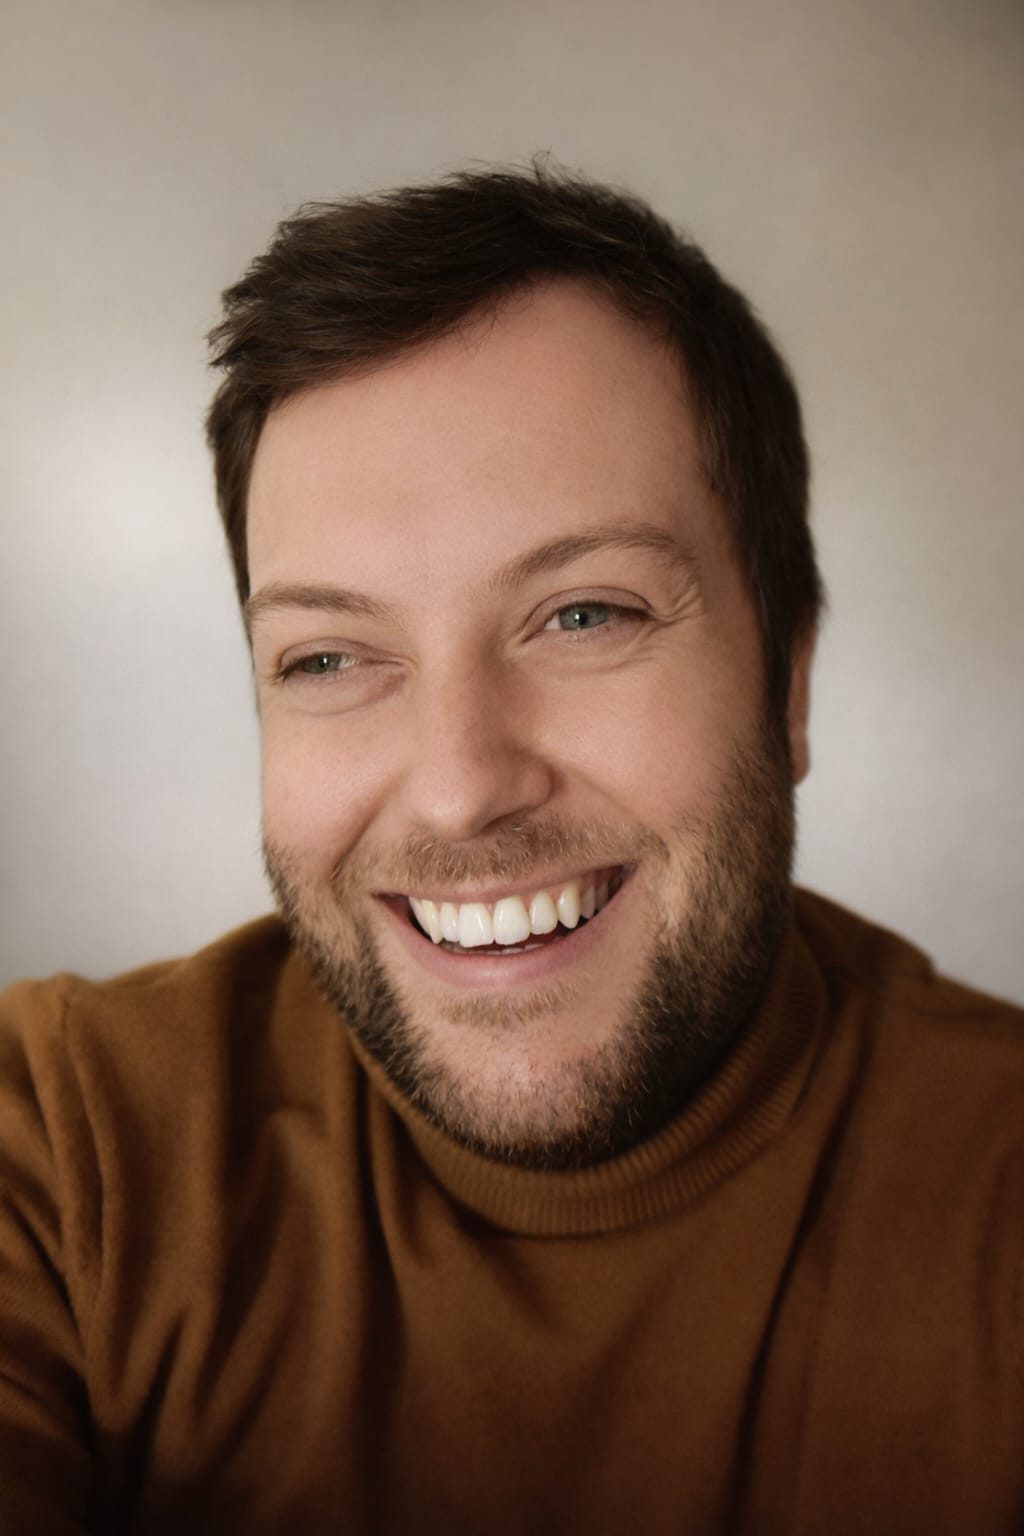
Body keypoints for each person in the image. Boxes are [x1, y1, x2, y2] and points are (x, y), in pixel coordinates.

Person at [1, 163, 1021, 1536]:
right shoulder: (62, 1156)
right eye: (327, 656)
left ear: (788, 683)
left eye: (584, 615)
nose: (458, 792)